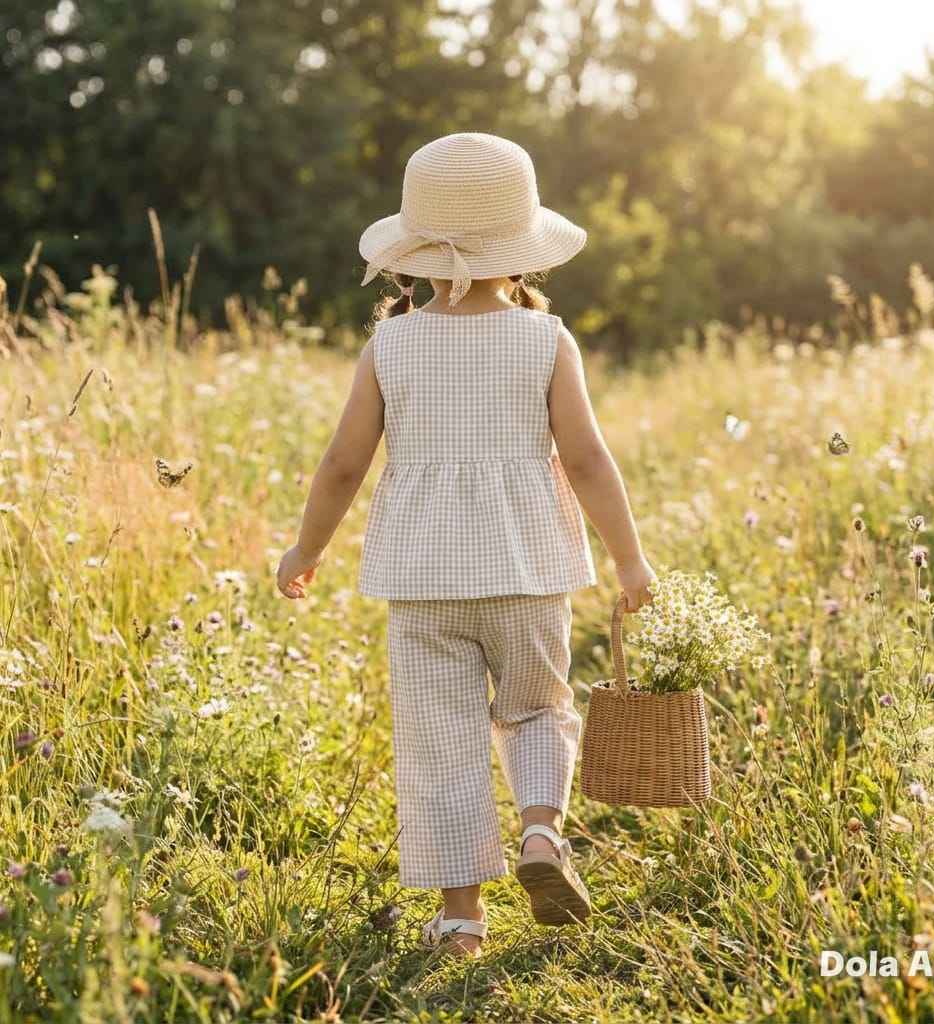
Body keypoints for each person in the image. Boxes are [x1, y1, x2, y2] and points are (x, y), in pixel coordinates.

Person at [277, 133, 655, 958]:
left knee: (440, 738)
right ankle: (542, 835)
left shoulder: (392, 344)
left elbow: (344, 462)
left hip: (423, 580)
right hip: (525, 570)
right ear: (520, 251)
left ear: (413, 251)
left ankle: (460, 919)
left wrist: (306, 549)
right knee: (535, 707)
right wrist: (629, 558)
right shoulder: (545, 339)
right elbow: (586, 457)